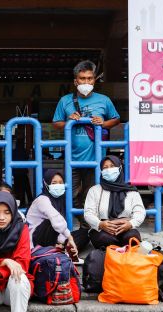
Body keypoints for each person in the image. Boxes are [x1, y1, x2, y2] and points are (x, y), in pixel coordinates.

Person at [53, 60, 120, 228]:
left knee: (92, 193)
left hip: (95, 158)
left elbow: (116, 119)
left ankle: (87, 225)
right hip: (72, 158)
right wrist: (69, 120)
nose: (86, 82)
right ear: (76, 81)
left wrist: (103, 123)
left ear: (94, 80)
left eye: (90, 78)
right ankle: (81, 223)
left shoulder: (104, 100)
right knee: (70, 193)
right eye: (82, 78)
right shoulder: (65, 101)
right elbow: (56, 123)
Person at [84, 156, 145, 249]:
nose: (109, 170)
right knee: (104, 239)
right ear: (101, 171)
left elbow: (140, 211)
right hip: (103, 229)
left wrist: (130, 224)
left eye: (112, 166)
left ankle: (120, 251)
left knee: (131, 237)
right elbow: (88, 213)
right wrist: (100, 224)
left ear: (120, 168)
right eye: (105, 167)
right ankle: (118, 252)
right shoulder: (94, 190)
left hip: (126, 227)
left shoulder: (131, 191)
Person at [26, 170, 90, 258]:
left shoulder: (60, 200)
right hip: (35, 241)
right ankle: (59, 249)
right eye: (54, 183)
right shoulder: (42, 200)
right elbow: (57, 221)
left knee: (85, 234)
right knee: (50, 223)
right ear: (46, 184)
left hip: (53, 237)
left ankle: (62, 249)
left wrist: (63, 241)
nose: (58, 185)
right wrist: (69, 238)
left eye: (60, 182)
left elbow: (59, 227)